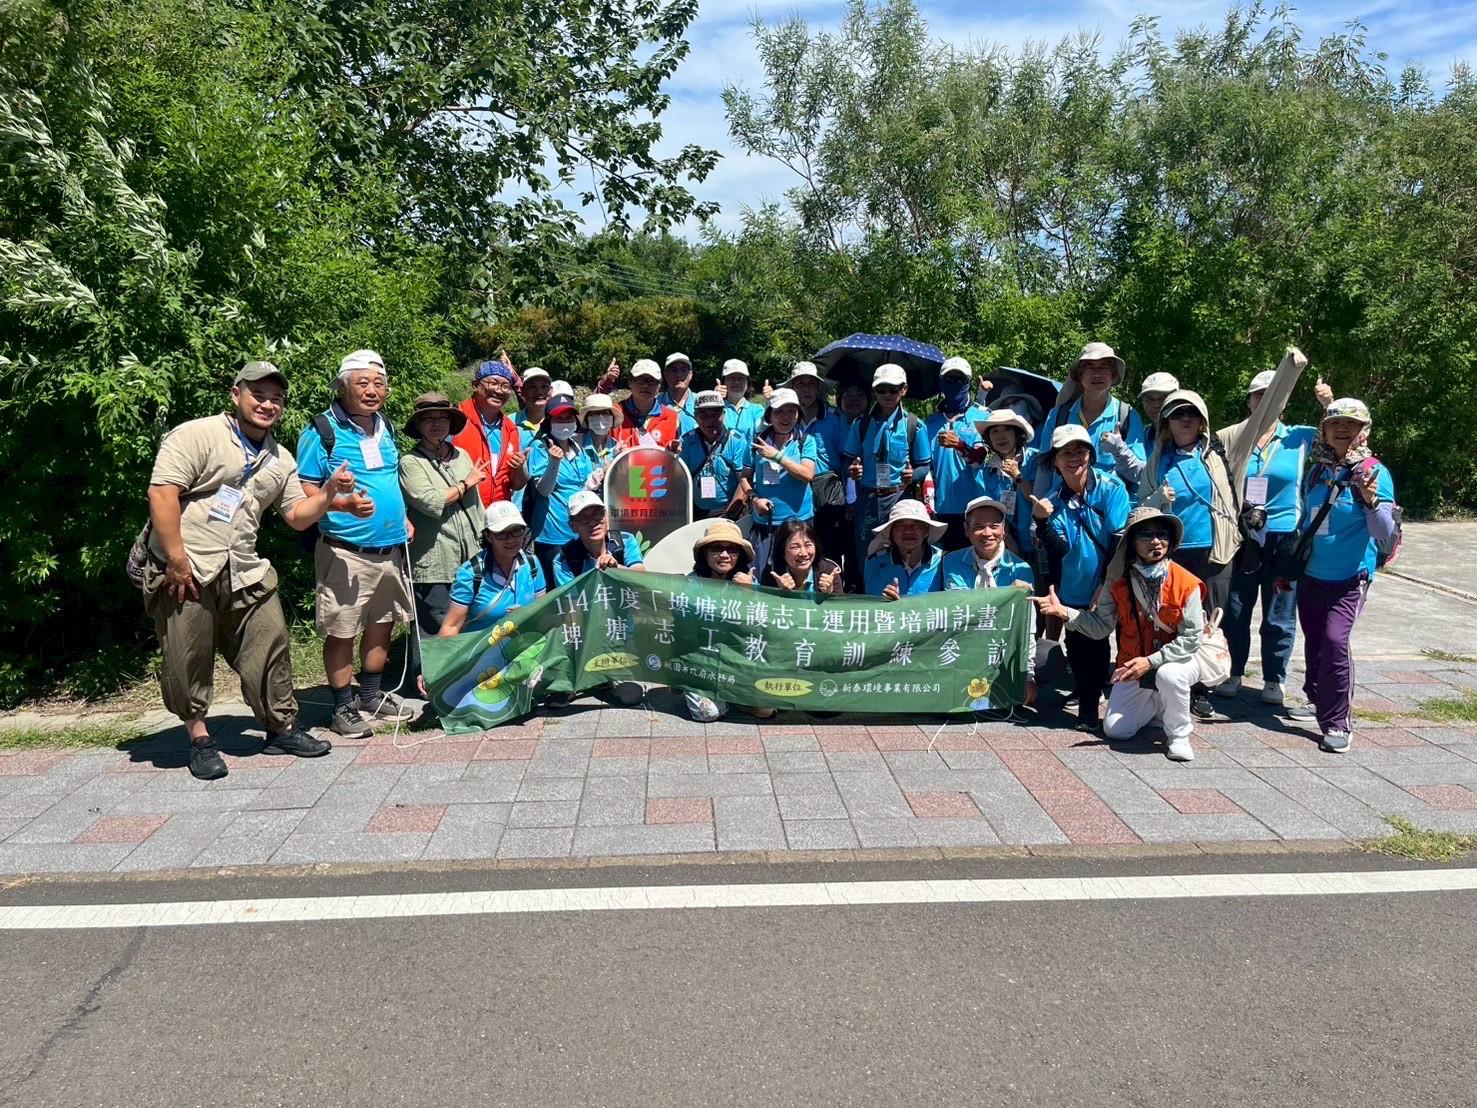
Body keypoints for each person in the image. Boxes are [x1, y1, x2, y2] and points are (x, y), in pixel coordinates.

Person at [143, 361, 341, 779]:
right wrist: (176, 559)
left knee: (271, 641)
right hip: (188, 565)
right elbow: (162, 492)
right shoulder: (198, 434)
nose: (268, 404)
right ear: (236, 395)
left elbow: (296, 515)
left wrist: (327, 495)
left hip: (244, 568)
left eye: (276, 399)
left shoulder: (279, 458)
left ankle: (281, 728)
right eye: (259, 395)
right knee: (187, 654)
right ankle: (199, 739)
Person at [297, 349, 417, 738]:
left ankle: (371, 695)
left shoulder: (385, 426)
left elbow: (387, 480)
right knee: (343, 630)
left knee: (382, 626)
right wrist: (343, 502)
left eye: (378, 383)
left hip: (390, 548)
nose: (371, 390)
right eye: (362, 383)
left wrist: (402, 517)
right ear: (342, 386)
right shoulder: (322, 430)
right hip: (345, 550)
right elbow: (305, 490)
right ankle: (342, 706)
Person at [1034, 507, 1206, 761]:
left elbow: (1191, 639)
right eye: (1146, 535)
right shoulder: (1118, 581)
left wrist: (1150, 662)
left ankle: (1179, 736)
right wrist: (1064, 613)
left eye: (1162, 534)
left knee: (1170, 676)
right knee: (1117, 730)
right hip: (1133, 663)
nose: (1155, 541)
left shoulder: (1186, 582)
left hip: (1178, 661)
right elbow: (1101, 626)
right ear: (1131, 542)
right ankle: (1160, 707)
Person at [1286, 398, 1397, 753]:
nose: (1343, 429)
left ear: (1364, 430)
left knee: (1335, 640)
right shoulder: (1317, 469)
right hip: (1312, 574)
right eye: (1336, 424)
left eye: (1352, 424)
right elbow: (1307, 519)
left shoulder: (1373, 471)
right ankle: (1316, 697)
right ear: (1325, 430)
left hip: (1350, 577)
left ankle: (1337, 722)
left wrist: (1369, 500)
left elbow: (1383, 532)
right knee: (1315, 639)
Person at [1213, 371, 1331, 704]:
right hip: (1244, 533)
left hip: (1284, 536)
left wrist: (1328, 403)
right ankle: (1233, 671)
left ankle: (1274, 679)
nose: (1264, 402)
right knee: (1236, 608)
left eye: (1272, 396)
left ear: (1283, 402)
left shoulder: (1299, 437)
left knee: (1279, 612)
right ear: (1249, 400)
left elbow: (1343, 438)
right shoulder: (1235, 437)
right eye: (1257, 395)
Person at [1141, 389, 1240, 719]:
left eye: (1192, 414)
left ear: (1202, 421)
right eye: (1177, 414)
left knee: (1207, 623)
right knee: (1169, 621)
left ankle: (1200, 689)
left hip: (1213, 553)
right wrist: (1158, 497)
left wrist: (1292, 367)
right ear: (1166, 422)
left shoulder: (1218, 454)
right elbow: (1139, 509)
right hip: (1171, 554)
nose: (1185, 420)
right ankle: (1164, 684)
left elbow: (1263, 417)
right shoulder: (1158, 460)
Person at [1031, 424, 1132, 730]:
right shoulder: (1053, 498)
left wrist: (1103, 584)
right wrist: (1042, 522)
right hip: (1075, 582)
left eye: (1081, 450)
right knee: (1081, 646)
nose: (1074, 457)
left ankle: (1129, 702)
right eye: (1066, 452)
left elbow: (1117, 541)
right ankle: (1088, 706)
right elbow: (1059, 548)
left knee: (1120, 642)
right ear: (1055, 461)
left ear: (1091, 454)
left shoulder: (1111, 488)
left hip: (1114, 579)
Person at [398, 392, 486, 683]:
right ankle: (430, 684)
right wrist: (465, 483)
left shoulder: (462, 455)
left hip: (471, 555)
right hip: (434, 557)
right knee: (434, 623)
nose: (437, 424)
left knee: (469, 620)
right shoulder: (410, 462)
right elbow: (429, 501)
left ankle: (462, 680)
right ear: (419, 425)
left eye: (442, 417)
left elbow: (477, 506)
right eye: (429, 419)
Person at [842, 363, 933, 576]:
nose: (887, 395)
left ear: (904, 390)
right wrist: (853, 471)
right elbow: (847, 462)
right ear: (874, 391)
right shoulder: (861, 424)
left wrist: (913, 475)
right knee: (867, 555)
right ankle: (871, 601)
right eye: (881, 390)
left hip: (899, 497)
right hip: (867, 498)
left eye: (893, 389)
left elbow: (924, 466)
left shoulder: (914, 425)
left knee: (901, 553)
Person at [685, 519, 773, 722]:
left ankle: (736, 698)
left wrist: (749, 594)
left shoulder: (749, 582)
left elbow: (762, 631)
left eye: (732, 550)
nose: (724, 555)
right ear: (704, 553)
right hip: (702, 662)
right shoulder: (691, 583)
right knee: (708, 713)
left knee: (766, 709)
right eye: (717, 548)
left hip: (738, 661)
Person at [526, 394, 619, 581]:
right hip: (551, 535)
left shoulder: (578, 448)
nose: (564, 422)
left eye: (568, 417)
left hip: (578, 533)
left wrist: (603, 472)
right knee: (556, 592)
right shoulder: (539, 448)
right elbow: (543, 490)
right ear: (549, 421)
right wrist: (554, 462)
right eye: (559, 418)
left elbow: (585, 487)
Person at [1034, 341, 1146, 484]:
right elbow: (1045, 467)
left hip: (1110, 504)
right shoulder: (1058, 416)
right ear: (1080, 375)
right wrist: (1039, 504)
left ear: (1113, 375)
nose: (1097, 374)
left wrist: (1120, 450)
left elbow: (1140, 474)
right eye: (1090, 368)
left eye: (1103, 367)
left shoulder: (1127, 416)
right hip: (1062, 503)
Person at [438, 501, 547, 637]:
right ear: (488, 536)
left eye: (516, 531)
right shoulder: (471, 574)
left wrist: (527, 613)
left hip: (525, 649)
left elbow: (543, 611)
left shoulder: (532, 564)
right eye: (501, 533)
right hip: (482, 654)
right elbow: (451, 626)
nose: (510, 539)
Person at [745, 386, 818, 572]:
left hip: (799, 522)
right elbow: (744, 478)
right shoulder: (756, 442)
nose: (786, 417)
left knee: (798, 575)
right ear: (769, 415)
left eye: (791, 411)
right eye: (779, 412)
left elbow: (807, 475)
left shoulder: (806, 441)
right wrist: (754, 499)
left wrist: (777, 457)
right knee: (762, 576)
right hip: (765, 523)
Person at [786, 362, 850, 569]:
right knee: (798, 544)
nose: (806, 389)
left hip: (828, 487)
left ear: (818, 388)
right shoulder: (784, 418)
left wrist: (850, 498)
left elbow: (847, 458)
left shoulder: (835, 417)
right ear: (792, 388)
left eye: (811, 384)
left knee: (829, 548)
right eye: (800, 384)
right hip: (794, 486)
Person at [925, 356, 989, 550]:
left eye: (960, 380)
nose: (954, 384)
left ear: (968, 382)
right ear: (941, 384)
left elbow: (984, 459)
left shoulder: (984, 416)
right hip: (941, 511)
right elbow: (927, 469)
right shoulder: (930, 423)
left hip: (977, 508)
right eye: (949, 380)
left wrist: (960, 445)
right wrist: (928, 506)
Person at [449, 358, 528, 507]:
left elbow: (516, 485)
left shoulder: (511, 429)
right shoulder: (455, 419)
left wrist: (519, 468)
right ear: (475, 385)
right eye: (493, 383)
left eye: (505, 386)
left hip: (498, 517)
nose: (499, 390)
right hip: (462, 511)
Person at [971, 409, 1040, 561]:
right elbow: (990, 511)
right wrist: (1009, 541)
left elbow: (1040, 500)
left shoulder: (1035, 460)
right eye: (994, 431)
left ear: (1017, 434)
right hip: (1006, 546)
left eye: (1007, 430)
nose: (1000, 436)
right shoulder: (986, 469)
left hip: (1038, 543)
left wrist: (1018, 476)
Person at [675, 389, 750, 520]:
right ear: (695, 416)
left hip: (729, 510)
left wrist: (729, 515)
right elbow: (679, 481)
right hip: (696, 511)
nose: (710, 421)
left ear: (724, 414)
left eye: (715, 414)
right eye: (703, 415)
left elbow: (743, 481)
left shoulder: (737, 441)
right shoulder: (687, 441)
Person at [1100, 371, 1178, 490]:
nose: (1156, 405)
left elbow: (1148, 474)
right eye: (1150, 399)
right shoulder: (1143, 435)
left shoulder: (1189, 436)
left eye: (1162, 398)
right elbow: (1136, 473)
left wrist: (1119, 449)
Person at [550, 491, 646, 584]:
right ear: (573, 526)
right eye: (583, 518)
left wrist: (617, 569)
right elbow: (570, 598)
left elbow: (642, 579)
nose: (592, 522)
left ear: (606, 516)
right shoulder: (563, 560)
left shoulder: (625, 541)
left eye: (597, 514)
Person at [940, 497, 1035, 591]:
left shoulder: (1021, 569)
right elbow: (959, 602)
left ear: (1004, 530)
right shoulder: (952, 561)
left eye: (994, 526)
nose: (987, 533)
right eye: (979, 527)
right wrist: (1008, 593)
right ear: (966, 529)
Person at [863, 498, 946, 599]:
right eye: (900, 525)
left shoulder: (943, 561)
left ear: (926, 531)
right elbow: (873, 605)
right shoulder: (875, 562)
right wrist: (887, 601)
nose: (908, 531)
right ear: (891, 533)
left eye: (916, 525)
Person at [615, 358, 684, 448]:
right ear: (630, 382)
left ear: (660, 385)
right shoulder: (614, 413)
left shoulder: (672, 418)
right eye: (640, 380)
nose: (645, 385)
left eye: (651, 381)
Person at [766, 519, 843, 594]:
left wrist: (829, 594)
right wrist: (783, 593)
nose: (803, 553)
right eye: (795, 547)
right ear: (782, 551)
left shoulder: (829, 571)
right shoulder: (772, 575)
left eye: (808, 545)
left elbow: (840, 605)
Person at [720, 358, 766, 439]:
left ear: (747, 383)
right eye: (732, 378)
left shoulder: (757, 410)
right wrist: (715, 400)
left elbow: (765, 432)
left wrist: (770, 403)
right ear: (724, 382)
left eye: (741, 378)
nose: (736, 382)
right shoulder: (717, 409)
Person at [660, 352, 700, 426]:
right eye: (674, 370)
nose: (679, 374)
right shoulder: (655, 403)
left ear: (690, 375)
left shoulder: (699, 402)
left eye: (683, 370)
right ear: (665, 375)